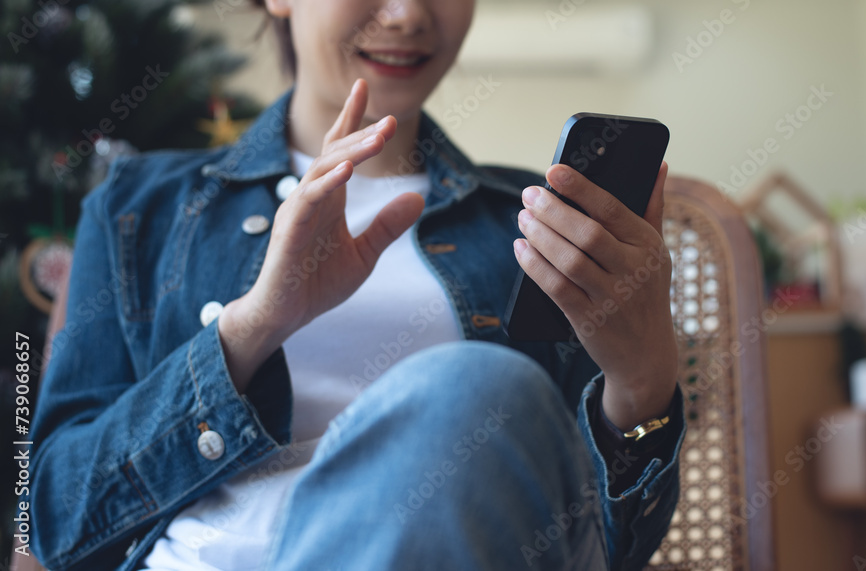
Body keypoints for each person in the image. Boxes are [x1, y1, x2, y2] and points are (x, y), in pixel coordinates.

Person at [31, 1, 686, 569]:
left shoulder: (538, 226)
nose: (408, 14)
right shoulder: (139, 207)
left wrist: (641, 385)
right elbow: (56, 522)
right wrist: (254, 323)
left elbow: (610, 551)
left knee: (476, 390)